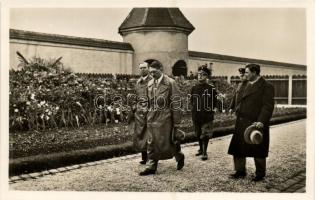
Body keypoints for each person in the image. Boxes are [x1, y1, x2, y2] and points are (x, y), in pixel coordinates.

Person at [228, 63, 275, 182]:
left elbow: (267, 106)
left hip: (255, 123)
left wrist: (261, 121)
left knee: (258, 148)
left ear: (254, 73)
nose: (245, 74)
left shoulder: (266, 86)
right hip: (241, 121)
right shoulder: (244, 84)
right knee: (237, 148)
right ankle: (240, 171)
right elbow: (239, 100)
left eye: (247, 72)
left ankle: (260, 173)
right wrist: (236, 110)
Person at [139, 60, 185, 176]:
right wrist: (145, 111)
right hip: (152, 117)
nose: (152, 74)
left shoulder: (170, 83)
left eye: (154, 72)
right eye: (151, 72)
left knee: (170, 142)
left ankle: (179, 156)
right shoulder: (150, 84)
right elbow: (147, 101)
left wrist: (176, 123)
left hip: (165, 118)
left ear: (161, 70)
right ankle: (151, 166)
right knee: (151, 142)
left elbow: (176, 103)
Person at [190, 65, 217, 160]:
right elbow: (192, 101)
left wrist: (211, 110)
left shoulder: (211, 88)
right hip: (196, 114)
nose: (200, 76)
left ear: (207, 76)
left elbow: (214, 102)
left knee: (205, 134)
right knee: (197, 133)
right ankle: (201, 149)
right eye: (199, 74)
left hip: (207, 115)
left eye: (203, 75)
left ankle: (205, 152)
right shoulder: (194, 88)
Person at [128, 62, 152, 164]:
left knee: (150, 134)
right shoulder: (138, 83)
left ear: (148, 68)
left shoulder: (152, 81)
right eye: (141, 68)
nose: (142, 69)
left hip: (149, 111)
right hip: (139, 112)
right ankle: (144, 157)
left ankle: (151, 158)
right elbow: (135, 96)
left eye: (144, 68)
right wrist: (134, 106)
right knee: (140, 133)